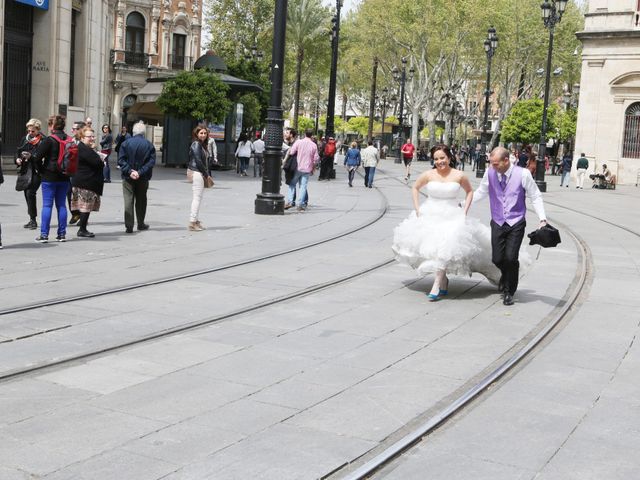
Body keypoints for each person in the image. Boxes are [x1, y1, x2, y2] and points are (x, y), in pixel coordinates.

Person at [392, 144, 500, 300]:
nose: (439, 161)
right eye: (436, 159)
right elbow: (415, 188)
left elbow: (470, 191)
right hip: (430, 213)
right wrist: (417, 208)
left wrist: (464, 211)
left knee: (447, 247)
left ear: (449, 158)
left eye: (442, 158)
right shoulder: (428, 174)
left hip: (452, 215)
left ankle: (436, 283)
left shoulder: (459, 175)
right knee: (434, 249)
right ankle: (443, 279)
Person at [473, 146, 547, 306]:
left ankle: (509, 291)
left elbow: (535, 195)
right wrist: (464, 204)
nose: (492, 166)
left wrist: (542, 219)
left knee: (511, 258)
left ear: (506, 160)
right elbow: (481, 191)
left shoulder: (523, 174)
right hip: (498, 221)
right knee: (497, 258)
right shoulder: (490, 172)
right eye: (491, 163)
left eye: (495, 163)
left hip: (516, 222)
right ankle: (506, 275)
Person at [30, 114, 71, 243]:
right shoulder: (70, 139)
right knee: (61, 205)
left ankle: (44, 235)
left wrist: (42, 170)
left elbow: (36, 158)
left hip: (49, 175)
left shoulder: (49, 140)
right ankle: (62, 234)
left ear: (52, 126)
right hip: (65, 176)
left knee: (47, 205)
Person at [117, 121, 156, 233]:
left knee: (128, 200)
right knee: (141, 200)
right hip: (143, 177)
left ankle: (129, 225)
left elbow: (121, 160)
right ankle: (140, 223)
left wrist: (130, 171)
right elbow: (151, 162)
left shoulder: (125, 144)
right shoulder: (149, 145)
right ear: (144, 132)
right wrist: (140, 172)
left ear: (133, 132)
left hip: (128, 177)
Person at [71, 126, 105, 238]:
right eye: (89, 136)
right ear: (82, 137)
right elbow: (97, 163)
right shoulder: (83, 148)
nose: (92, 138)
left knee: (84, 206)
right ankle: (82, 229)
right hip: (86, 182)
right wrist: (100, 159)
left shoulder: (83, 147)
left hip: (82, 180)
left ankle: (83, 227)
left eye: (93, 136)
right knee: (85, 207)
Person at [15, 118, 44, 230]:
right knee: (26, 193)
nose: (30, 133)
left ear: (38, 130)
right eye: (29, 131)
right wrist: (17, 159)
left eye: (33, 131)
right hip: (25, 169)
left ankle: (33, 220)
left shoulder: (42, 140)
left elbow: (42, 157)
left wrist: (31, 157)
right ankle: (31, 218)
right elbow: (17, 151)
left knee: (31, 193)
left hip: (37, 170)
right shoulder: (25, 139)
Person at [285, 129, 319, 212]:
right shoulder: (314, 145)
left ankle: (290, 201)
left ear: (304, 134)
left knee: (292, 184)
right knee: (303, 186)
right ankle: (300, 205)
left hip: (298, 167)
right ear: (312, 135)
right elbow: (316, 159)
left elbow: (292, 152)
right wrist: (313, 168)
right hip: (307, 169)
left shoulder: (298, 142)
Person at [188, 126, 214, 231]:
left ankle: (195, 220)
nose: (203, 135)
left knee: (198, 197)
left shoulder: (201, 145)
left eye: (205, 133)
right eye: (201, 133)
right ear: (196, 134)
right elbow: (198, 160)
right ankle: (192, 222)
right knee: (197, 198)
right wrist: (206, 174)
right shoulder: (196, 144)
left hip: (199, 172)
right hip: (197, 172)